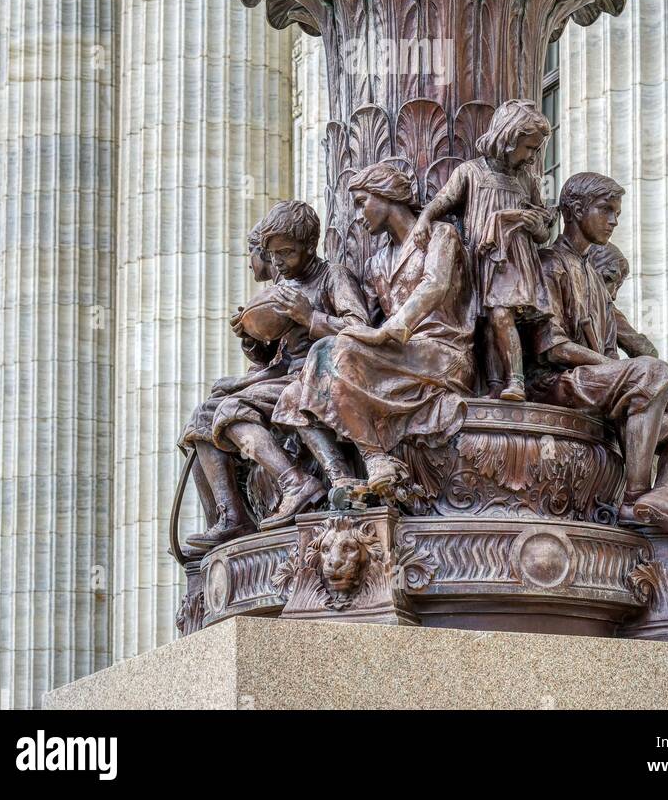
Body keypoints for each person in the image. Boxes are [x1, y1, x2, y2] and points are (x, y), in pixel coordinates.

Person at [529, 173, 668, 540]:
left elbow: (624, 342)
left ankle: (663, 494)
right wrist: (622, 369)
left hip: (597, 381)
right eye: (606, 210)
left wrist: (631, 359)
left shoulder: (594, 278)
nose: (614, 221)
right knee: (651, 374)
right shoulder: (550, 264)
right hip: (556, 380)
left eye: (617, 212)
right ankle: (634, 498)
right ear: (576, 210)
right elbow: (554, 346)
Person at [275, 162, 476, 496]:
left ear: (387, 195)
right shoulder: (375, 264)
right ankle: (359, 468)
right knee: (297, 393)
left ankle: (374, 457)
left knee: (336, 351)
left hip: (443, 353)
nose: (358, 214)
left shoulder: (441, 235)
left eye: (361, 202)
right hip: (398, 357)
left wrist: (391, 330)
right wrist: (302, 320)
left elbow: (434, 286)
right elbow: (360, 325)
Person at [181, 202, 368, 547]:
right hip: (283, 375)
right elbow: (276, 353)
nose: (278, 262)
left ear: (309, 247)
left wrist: (309, 316)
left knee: (228, 411)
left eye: (286, 253)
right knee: (201, 419)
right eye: (272, 254)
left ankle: (295, 482)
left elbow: (360, 328)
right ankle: (231, 517)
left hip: (319, 377)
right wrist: (252, 340)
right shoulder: (282, 283)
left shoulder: (332, 277)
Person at [411, 99, 557, 401]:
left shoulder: (526, 181)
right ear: (507, 138)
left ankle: (515, 381)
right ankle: (493, 383)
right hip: (481, 258)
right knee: (488, 323)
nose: (532, 157)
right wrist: (424, 220)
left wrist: (531, 223)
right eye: (528, 148)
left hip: (513, 262)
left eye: (536, 150)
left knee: (502, 315)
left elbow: (543, 233)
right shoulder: (471, 172)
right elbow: (443, 201)